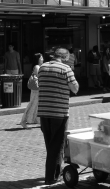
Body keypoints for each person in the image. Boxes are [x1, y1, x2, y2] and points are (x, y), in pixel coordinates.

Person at [37, 48, 79, 185]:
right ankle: (51, 177)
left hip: (44, 111)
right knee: (57, 145)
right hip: (59, 112)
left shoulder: (42, 68)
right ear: (65, 57)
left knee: (50, 144)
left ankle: (54, 171)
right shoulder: (65, 68)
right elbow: (75, 88)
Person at [21, 54, 44, 129]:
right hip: (36, 90)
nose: (42, 59)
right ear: (38, 59)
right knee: (32, 105)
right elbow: (39, 77)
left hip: (36, 89)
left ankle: (37, 120)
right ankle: (24, 120)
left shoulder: (38, 66)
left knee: (36, 105)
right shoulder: (37, 67)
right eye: (41, 57)